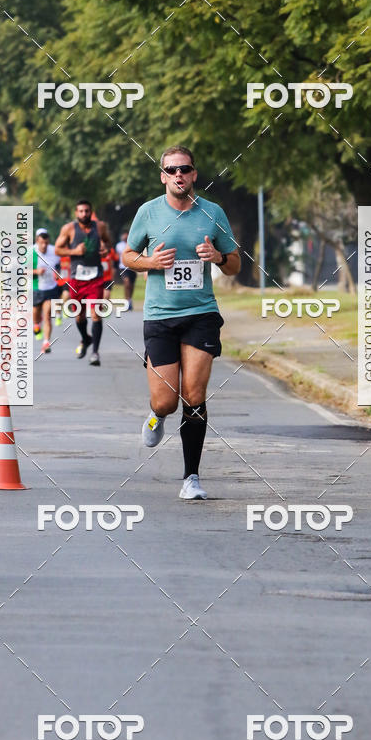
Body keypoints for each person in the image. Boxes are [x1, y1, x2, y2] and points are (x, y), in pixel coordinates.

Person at [122, 145, 240, 499]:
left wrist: (219, 257)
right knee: (166, 402)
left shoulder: (212, 212)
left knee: (194, 394)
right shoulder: (148, 213)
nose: (178, 175)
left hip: (201, 313)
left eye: (184, 169)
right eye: (171, 170)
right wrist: (150, 263)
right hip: (160, 316)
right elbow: (128, 255)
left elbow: (235, 263)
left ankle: (192, 477)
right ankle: (156, 417)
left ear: (194, 174)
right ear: (163, 176)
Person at [54, 200, 111, 366]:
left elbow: (108, 242)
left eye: (86, 211)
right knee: (78, 315)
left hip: (96, 278)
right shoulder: (69, 229)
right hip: (76, 279)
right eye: (80, 211)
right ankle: (86, 338)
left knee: (95, 314)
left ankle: (95, 353)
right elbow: (58, 249)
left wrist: (106, 249)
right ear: (76, 213)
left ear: (90, 212)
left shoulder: (99, 227)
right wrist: (74, 251)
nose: (84, 214)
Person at [32, 228, 60, 354]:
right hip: (36, 288)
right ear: (37, 241)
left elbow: (60, 266)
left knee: (47, 316)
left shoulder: (54, 251)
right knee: (36, 314)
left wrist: (59, 274)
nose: (44, 246)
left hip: (50, 288)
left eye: (46, 243)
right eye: (41, 243)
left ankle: (46, 343)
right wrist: (36, 272)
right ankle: (36, 326)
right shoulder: (30, 252)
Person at [116, 231, 136, 310]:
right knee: (127, 283)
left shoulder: (133, 244)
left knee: (131, 285)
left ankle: (130, 300)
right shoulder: (119, 245)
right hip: (123, 267)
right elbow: (117, 257)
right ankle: (127, 301)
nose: (125, 236)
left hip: (132, 266)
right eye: (124, 235)